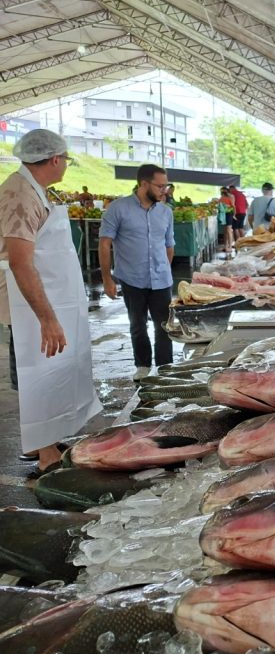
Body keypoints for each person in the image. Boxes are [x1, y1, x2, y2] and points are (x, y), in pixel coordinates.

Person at [0, 129, 101, 473]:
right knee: (36, 372)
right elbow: (20, 262)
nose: (66, 165)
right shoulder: (19, 195)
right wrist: (47, 318)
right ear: (55, 159)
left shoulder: (35, 190)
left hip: (49, 297)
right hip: (26, 304)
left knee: (53, 367)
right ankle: (45, 453)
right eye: (66, 159)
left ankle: (46, 439)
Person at [98, 164, 175, 381]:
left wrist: (165, 269)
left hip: (161, 279)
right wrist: (107, 278)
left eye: (166, 186)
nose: (164, 191)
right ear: (144, 184)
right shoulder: (118, 208)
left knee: (164, 326)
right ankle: (142, 365)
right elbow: (105, 244)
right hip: (132, 279)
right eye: (160, 186)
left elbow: (169, 245)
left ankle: (165, 369)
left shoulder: (166, 212)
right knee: (138, 324)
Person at [217, 187, 235, 255]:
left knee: (228, 230)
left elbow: (233, 206)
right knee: (225, 231)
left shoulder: (231, 196)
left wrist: (234, 214)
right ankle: (225, 246)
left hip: (229, 214)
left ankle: (230, 246)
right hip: (225, 214)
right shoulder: (222, 197)